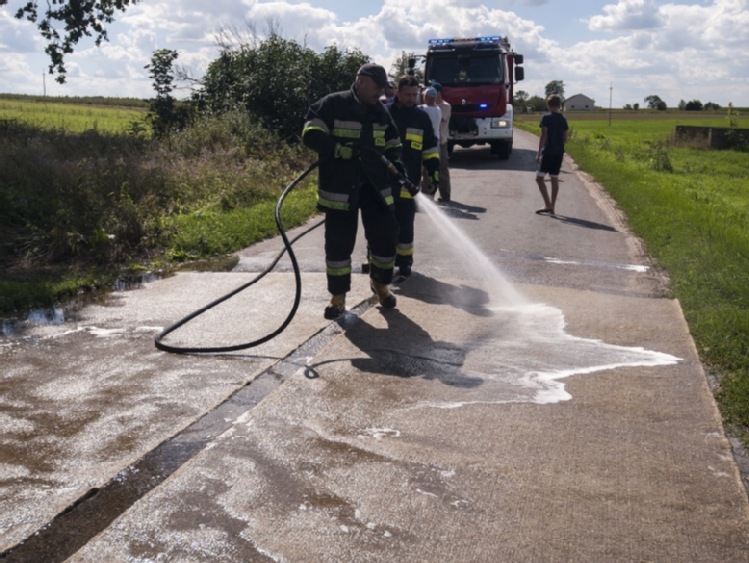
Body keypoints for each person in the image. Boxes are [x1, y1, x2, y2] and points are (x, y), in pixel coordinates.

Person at [302, 63, 403, 318]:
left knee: (385, 239)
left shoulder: (381, 112)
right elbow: (311, 133)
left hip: (376, 187)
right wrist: (337, 149)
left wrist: (396, 162)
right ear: (361, 81)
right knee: (338, 246)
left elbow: (393, 143)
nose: (380, 92)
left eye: (383, 88)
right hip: (341, 188)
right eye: (377, 86)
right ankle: (338, 297)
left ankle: (380, 285)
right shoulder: (332, 104)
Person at [386, 75, 440, 278]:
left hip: (409, 181)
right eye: (407, 94)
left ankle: (404, 261)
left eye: (414, 95)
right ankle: (377, 258)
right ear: (397, 92)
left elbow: (429, 148)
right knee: (381, 222)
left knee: (406, 222)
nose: (411, 98)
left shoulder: (421, 117)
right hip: (383, 180)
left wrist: (433, 169)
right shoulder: (384, 114)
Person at [535, 93, 569, 215]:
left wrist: (538, 153)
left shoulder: (546, 118)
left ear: (548, 105)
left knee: (539, 178)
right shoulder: (563, 119)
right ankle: (552, 206)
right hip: (559, 152)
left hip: (548, 151)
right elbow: (565, 137)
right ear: (559, 105)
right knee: (554, 178)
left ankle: (547, 204)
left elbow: (543, 135)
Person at [432, 82, 452, 202]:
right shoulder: (428, 105)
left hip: (441, 141)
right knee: (428, 169)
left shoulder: (445, 106)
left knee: (442, 169)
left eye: (434, 92)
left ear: (439, 93)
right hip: (430, 141)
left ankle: (445, 195)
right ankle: (428, 195)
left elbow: (438, 120)